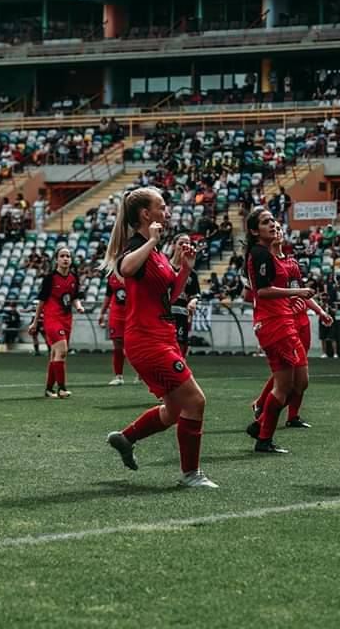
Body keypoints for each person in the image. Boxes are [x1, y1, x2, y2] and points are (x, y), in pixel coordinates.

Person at [102, 187, 217, 488]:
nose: (167, 212)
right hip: (147, 340)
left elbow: (170, 297)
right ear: (145, 214)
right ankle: (191, 474)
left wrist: (183, 269)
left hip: (161, 336)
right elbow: (125, 268)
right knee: (196, 401)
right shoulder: (138, 246)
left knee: (174, 411)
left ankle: (125, 438)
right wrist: (153, 240)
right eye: (162, 206)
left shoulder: (155, 253)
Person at [240, 209, 317, 453]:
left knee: (300, 383)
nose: (272, 224)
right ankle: (264, 438)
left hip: (284, 321)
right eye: (265, 222)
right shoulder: (260, 254)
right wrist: (297, 293)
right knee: (284, 387)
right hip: (274, 323)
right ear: (254, 231)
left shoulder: (269, 254)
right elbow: (261, 291)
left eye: (273, 220)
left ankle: (261, 424)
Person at [247, 221, 332, 432]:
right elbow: (265, 291)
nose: (276, 231)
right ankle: (263, 415)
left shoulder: (291, 263)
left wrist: (319, 311)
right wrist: (296, 295)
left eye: (278, 228)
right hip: (281, 320)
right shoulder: (266, 261)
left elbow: (300, 291)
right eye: (271, 227)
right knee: (287, 374)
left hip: (299, 320)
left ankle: (284, 416)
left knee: (297, 375)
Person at [27, 246, 84, 398]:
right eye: (62, 256)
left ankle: (48, 389)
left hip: (67, 319)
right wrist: (34, 322)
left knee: (55, 354)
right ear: (56, 259)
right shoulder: (50, 278)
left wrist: (79, 307)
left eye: (68, 256)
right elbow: (41, 301)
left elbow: (75, 296)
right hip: (52, 319)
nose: (66, 258)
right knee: (63, 351)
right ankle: (62, 388)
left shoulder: (74, 277)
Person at [169, 234, 201, 357]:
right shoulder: (164, 267)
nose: (185, 246)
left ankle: (179, 375)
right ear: (173, 246)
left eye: (188, 244)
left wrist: (193, 301)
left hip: (181, 315)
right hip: (164, 314)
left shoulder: (191, 273)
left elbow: (195, 294)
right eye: (181, 243)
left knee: (180, 348)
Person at [99, 271, 128, 385]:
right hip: (116, 314)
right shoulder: (112, 276)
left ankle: (141, 374)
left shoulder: (133, 271)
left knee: (133, 345)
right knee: (117, 343)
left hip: (132, 313)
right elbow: (108, 295)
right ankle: (118, 376)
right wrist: (102, 312)